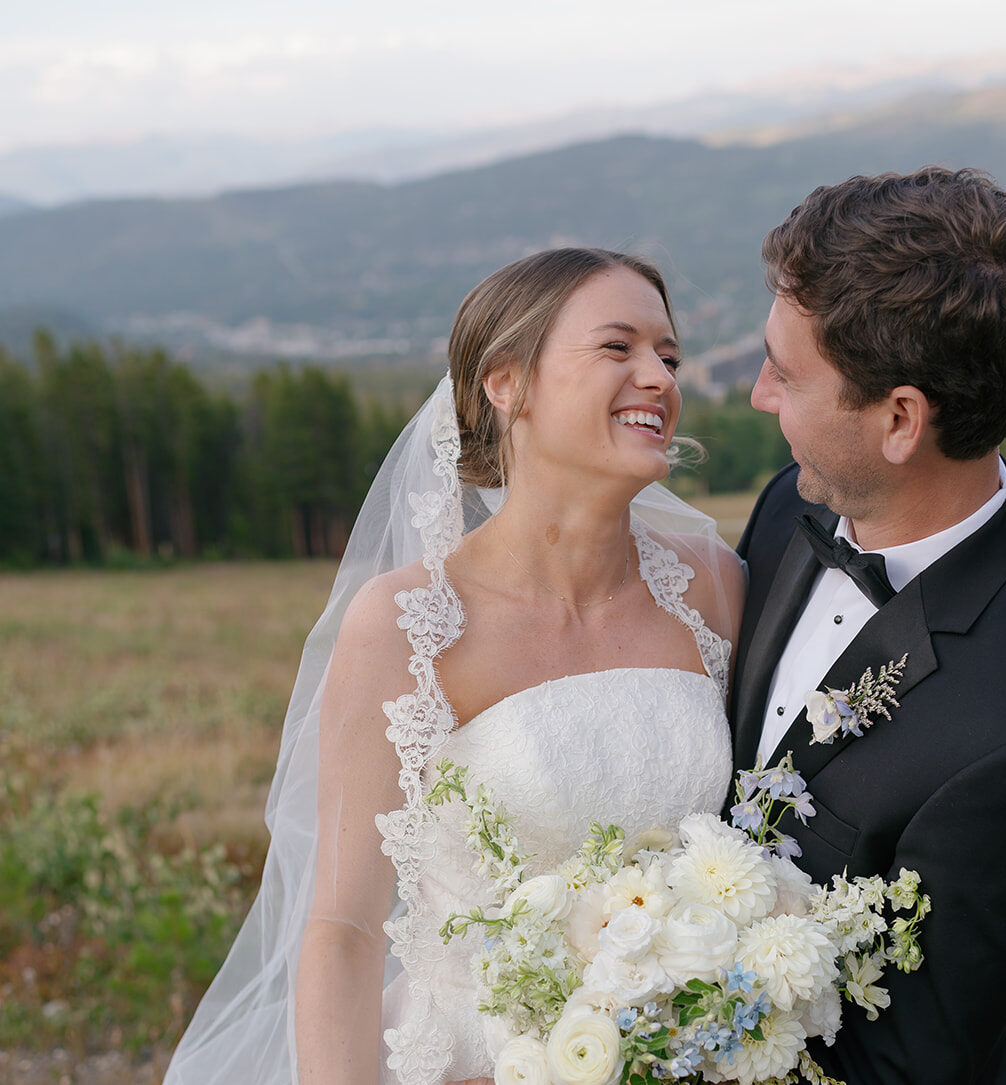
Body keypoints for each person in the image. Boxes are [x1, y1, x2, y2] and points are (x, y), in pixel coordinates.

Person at [162, 248, 744, 1085]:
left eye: (670, 355)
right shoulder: (407, 627)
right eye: (619, 348)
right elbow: (342, 924)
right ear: (508, 383)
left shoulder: (715, 588)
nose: (658, 376)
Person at [730, 167, 1006, 1084]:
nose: (757, 394)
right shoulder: (793, 504)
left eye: (786, 374)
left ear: (901, 419)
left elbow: (903, 1068)